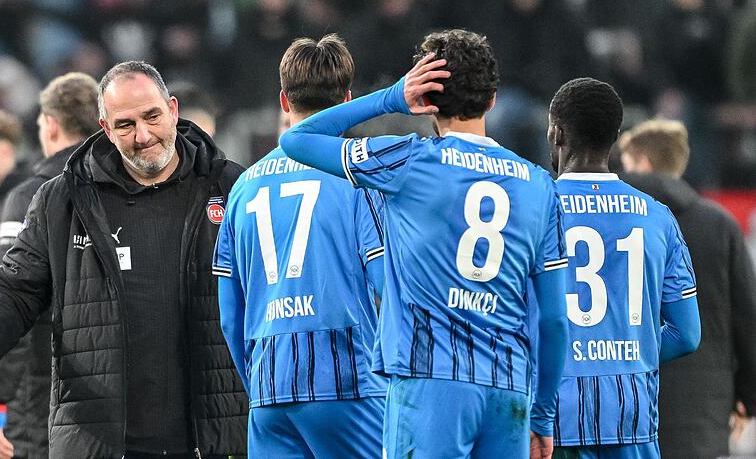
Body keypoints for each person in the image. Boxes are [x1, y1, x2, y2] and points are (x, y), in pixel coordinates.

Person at [281, 29, 570, 459]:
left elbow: (297, 139)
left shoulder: (406, 161)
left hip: (429, 378)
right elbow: (554, 319)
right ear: (492, 100)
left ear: (428, 101)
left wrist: (393, 97)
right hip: (507, 389)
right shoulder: (539, 185)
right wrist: (543, 414)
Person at [0, 61, 248, 459]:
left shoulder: (233, 187)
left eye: (152, 116)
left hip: (212, 438)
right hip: (101, 443)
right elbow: (14, 285)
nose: (143, 135)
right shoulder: (62, 200)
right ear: (106, 128)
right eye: (126, 125)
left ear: (174, 111)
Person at [213, 34, 387, 458]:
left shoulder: (243, 188)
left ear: (284, 101)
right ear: (348, 100)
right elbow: (389, 287)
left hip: (270, 392)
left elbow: (228, 315)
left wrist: (258, 385)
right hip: (347, 385)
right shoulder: (357, 179)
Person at [546, 79, 701, 458]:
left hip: (553, 420)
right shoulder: (656, 217)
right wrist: (627, 352)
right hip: (631, 415)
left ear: (556, 132)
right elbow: (687, 334)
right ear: (616, 135)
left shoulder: (534, 210)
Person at [0, 72, 100, 459]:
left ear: (49, 123)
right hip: (108, 385)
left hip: (41, 388)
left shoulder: (30, 195)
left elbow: (16, 299)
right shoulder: (119, 186)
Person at [618, 119, 756, 459]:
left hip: (624, 406)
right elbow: (747, 317)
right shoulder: (720, 224)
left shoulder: (617, 223)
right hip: (702, 412)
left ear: (645, 164)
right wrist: (746, 399)